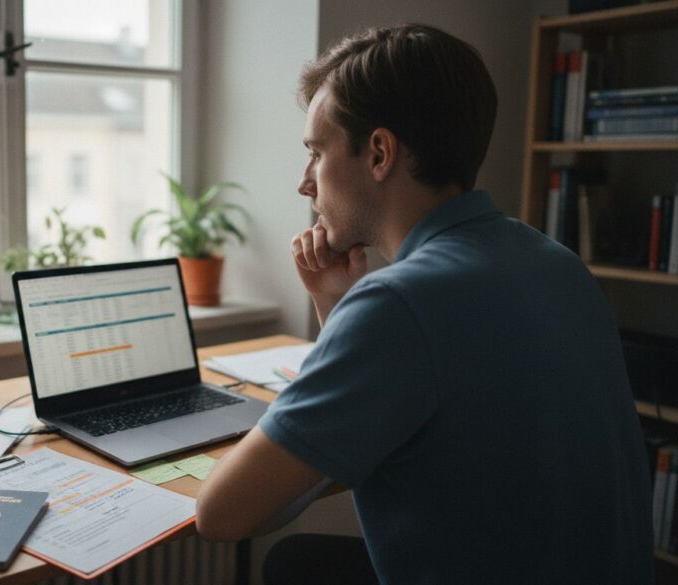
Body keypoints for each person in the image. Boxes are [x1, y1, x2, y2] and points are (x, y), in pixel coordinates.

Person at [195, 23, 653, 584]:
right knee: (299, 561)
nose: (304, 183)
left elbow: (220, 513)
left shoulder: (396, 304)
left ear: (380, 153)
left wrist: (351, 313)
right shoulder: (555, 262)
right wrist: (334, 304)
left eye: (316, 152)